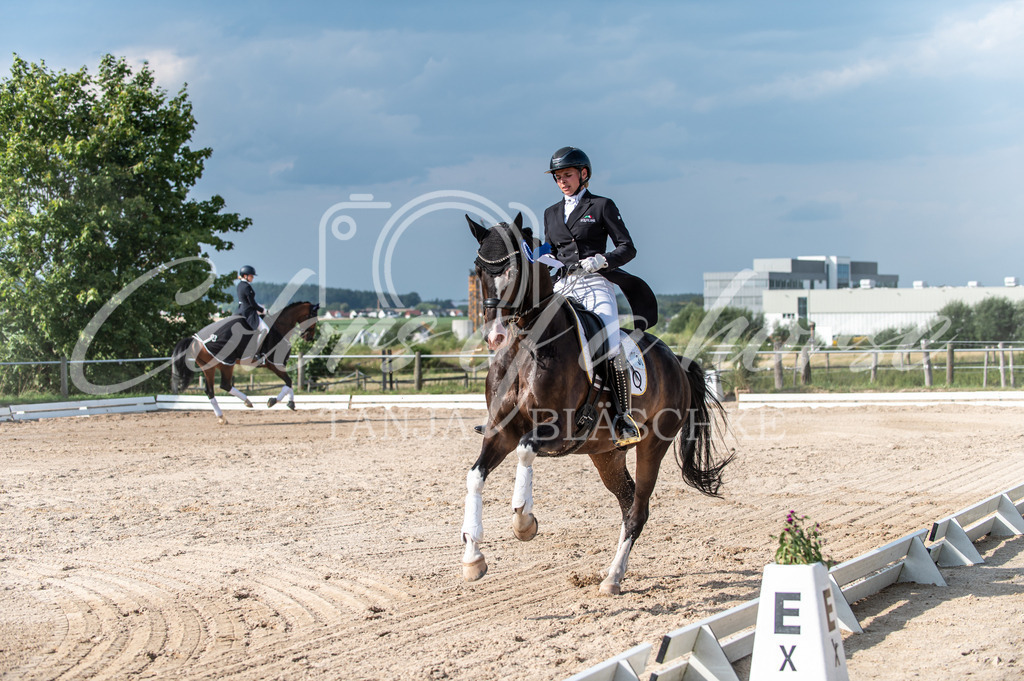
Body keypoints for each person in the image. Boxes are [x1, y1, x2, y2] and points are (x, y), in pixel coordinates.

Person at [542, 146, 657, 448]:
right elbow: (550, 251)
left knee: (611, 341)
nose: (562, 181)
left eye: (567, 175)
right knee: (529, 334)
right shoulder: (550, 213)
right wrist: (537, 256)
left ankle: (622, 419)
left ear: (583, 174)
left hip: (595, 283)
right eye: (557, 177)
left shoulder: (602, 205)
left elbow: (627, 247)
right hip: (563, 285)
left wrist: (602, 260)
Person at [236, 265, 269, 364]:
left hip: (241, 309)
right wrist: (263, 311)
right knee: (265, 329)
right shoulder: (246, 287)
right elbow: (252, 304)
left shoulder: (240, 285)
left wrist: (261, 308)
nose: (253, 277)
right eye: (251, 276)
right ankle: (256, 353)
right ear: (245, 275)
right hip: (249, 312)